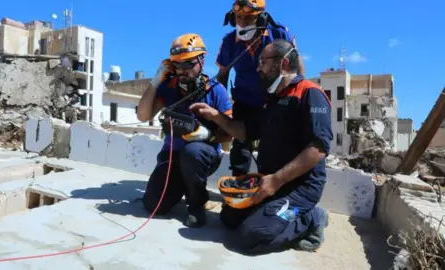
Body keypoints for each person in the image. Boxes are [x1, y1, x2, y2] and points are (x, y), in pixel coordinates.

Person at [190, 39, 332, 254]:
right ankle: (274, 213)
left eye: (263, 62)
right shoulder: (272, 100)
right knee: (228, 219)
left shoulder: (310, 93)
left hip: (299, 188)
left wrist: (276, 180)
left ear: (282, 63)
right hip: (270, 182)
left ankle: (313, 218)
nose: (258, 68)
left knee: (251, 236)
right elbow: (246, 131)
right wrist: (216, 117)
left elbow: (319, 148)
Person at [136, 33, 233, 228]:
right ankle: (180, 185)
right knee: (153, 205)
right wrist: (156, 80)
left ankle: (196, 205)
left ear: (201, 61)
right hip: (171, 156)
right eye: (177, 65)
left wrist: (208, 135)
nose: (182, 70)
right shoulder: (169, 87)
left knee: (192, 152)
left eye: (188, 64)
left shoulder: (216, 90)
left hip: (201, 156)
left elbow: (230, 133)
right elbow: (143, 116)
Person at [217, 0, 306, 177]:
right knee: (241, 146)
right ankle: (238, 182)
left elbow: (296, 65)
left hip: (273, 99)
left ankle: (269, 184)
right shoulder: (229, 42)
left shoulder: (278, 33)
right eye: (238, 17)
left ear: (261, 19)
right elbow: (222, 75)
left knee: (273, 143)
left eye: (247, 18)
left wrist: (300, 95)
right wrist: (222, 109)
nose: (241, 22)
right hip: (244, 100)